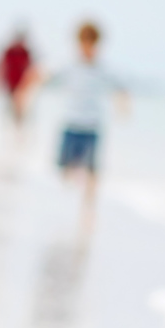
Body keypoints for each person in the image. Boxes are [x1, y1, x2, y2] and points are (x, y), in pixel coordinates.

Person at [31, 21, 128, 225]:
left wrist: (123, 106)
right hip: (71, 123)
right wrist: (26, 91)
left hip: (92, 125)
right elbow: (42, 74)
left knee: (93, 170)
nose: (89, 48)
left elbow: (120, 87)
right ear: (78, 43)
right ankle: (73, 176)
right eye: (85, 43)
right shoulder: (68, 65)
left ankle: (89, 209)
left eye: (93, 44)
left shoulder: (103, 69)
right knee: (63, 169)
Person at [0, 31, 35, 120]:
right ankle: (13, 125)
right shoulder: (9, 52)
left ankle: (19, 126)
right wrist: (1, 81)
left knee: (21, 107)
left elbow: (30, 69)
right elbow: (3, 67)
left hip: (23, 84)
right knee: (11, 107)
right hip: (11, 83)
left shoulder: (26, 52)